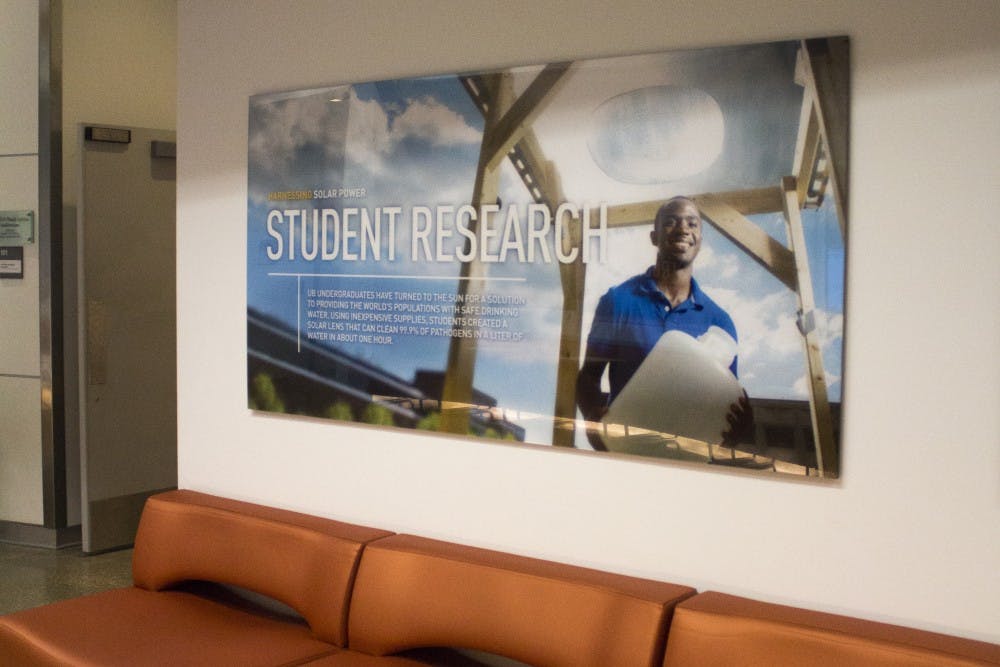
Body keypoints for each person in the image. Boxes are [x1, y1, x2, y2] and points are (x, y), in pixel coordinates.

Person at [576, 196, 752, 451]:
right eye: (671, 222)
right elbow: (588, 378)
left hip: (686, 464)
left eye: (692, 224)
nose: (683, 229)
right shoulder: (618, 301)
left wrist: (739, 428)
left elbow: (725, 405)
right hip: (625, 452)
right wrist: (594, 421)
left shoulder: (720, 323)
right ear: (654, 237)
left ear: (700, 240)